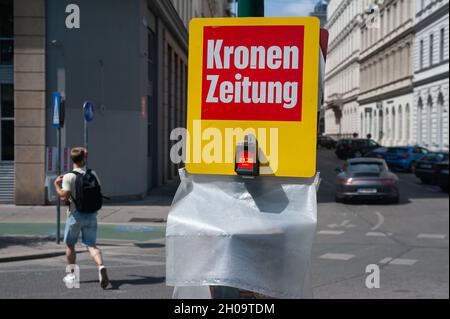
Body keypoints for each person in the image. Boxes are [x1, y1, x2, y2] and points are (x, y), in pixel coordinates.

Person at [54, 147, 109, 289]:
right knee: (91, 245)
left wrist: (56, 185)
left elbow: (64, 196)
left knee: (70, 244)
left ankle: (72, 275)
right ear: (84, 158)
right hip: (91, 215)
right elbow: (98, 190)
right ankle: (101, 266)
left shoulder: (68, 176)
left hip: (75, 215)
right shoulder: (93, 173)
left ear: (71, 159)